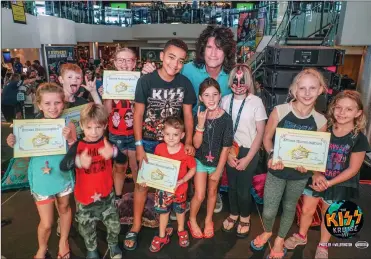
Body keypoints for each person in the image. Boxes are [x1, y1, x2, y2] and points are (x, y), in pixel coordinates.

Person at [142, 25, 237, 213]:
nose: (213, 53)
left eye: (219, 48)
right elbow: (166, 73)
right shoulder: (187, 69)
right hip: (186, 125)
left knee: (212, 163)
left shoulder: (231, 76)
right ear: (202, 49)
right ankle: (180, 196)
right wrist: (149, 70)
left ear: (226, 51)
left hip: (217, 129)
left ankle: (212, 191)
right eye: (209, 47)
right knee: (185, 163)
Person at [124, 39, 197, 251]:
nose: (175, 64)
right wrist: (138, 144)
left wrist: (189, 141)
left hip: (174, 143)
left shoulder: (184, 84)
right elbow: (137, 114)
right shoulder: (146, 81)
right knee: (142, 184)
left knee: (174, 185)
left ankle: (173, 224)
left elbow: (188, 116)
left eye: (181, 60)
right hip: (148, 141)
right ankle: (136, 226)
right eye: (172, 57)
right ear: (162, 56)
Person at [250, 68, 328, 259]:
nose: (307, 93)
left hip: (299, 175)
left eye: (312, 88)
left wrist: (310, 168)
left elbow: (317, 152)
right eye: (302, 88)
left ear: (320, 90)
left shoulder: (321, 120)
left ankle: (279, 239)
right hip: (277, 171)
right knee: (268, 211)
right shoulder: (280, 110)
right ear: (294, 90)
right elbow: (267, 138)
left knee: (289, 207)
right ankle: (268, 230)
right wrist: (271, 156)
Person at [284, 90, 370, 259]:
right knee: (307, 210)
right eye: (338, 108)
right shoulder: (324, 128)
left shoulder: (359, 139)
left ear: (358, 113)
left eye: (348, 109)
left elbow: (353, 169)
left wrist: (330, 183)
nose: (342, 113)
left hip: (338, 183)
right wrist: (316, 174)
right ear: (333, 108)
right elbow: (311, 152)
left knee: (328, 213)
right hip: (316, 178)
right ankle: (302, 236)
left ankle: (323, 244)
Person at [7, 83, 76, 259]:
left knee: (65, 207)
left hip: (62, 175)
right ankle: (42, 247)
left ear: (63, 103)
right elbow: (23, 150)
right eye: (47, 103)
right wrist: (14, 141)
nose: (53, 107)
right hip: (41, 177)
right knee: (46, 223)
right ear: (39, 104)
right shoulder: (30, 126)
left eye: (57, 103)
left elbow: (76, 149)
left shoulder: (69, 125)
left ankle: (63, 241)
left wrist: (70, 140)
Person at [60, 103, 126, 259]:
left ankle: (113, 244)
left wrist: (114, 152)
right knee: (86, 228)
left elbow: (122, 159)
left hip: (106, 197)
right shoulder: (78, 146)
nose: (94, 132)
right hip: (85, 199)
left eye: (98, 127)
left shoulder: (108, 144)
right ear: (82, 126)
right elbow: (63, 165)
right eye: (89, 128)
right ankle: (91, 248)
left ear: (105, 126)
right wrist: (77, 161)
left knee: (114, 225)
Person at [220, 64, 267, 237]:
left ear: (248, 82)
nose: (238, 84)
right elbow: (222, 130)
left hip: (249, 150)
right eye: (235, 80)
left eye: (242, 80)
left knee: (243, 188)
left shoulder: (256, 102)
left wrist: (247, 158)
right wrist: (227, 155)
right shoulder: (224, 100)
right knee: (231, 186)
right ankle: (233, 214)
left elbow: (260, 133)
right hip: (230, 149)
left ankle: (245, 217)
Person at [188, 78, 233, 239]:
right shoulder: (198, 115)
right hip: (200, 161)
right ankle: (192, 220)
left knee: (212, 192)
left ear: (220, 96)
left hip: (216, 163)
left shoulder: (226, 119)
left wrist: (219, 170)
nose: (211, 99)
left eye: (214, 94)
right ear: (201, 98)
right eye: (207, 95)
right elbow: (197, 145)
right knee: (200, 195)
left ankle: (208, 220)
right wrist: (200, 124)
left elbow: (227, 147)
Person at [146, 117, 196, 252]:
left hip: (180, 189)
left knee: (180, 211)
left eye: (175, 134)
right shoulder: (159, 148)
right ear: (162, 134)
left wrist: (183, 180)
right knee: (163, 213)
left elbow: (193, 168)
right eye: (167, 134)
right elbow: (154, 166)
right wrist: (148, 178)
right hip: (163, 190)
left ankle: (181, 230)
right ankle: (162, 235)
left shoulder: (185, 151)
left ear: (182, 135)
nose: (171, 138)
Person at [102, 48, 138, 203]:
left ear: (134, 63)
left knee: (136, 165)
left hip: (136, 131)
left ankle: (140, 195)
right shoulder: (109, 81)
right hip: (117, 133)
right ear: (115, 63)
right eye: (121, 60)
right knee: (119, 166)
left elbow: (141, 110)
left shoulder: (140, 81)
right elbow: (107, 111)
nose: (124, 64)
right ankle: (117, 196)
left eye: (128, 60)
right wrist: (107, 94)